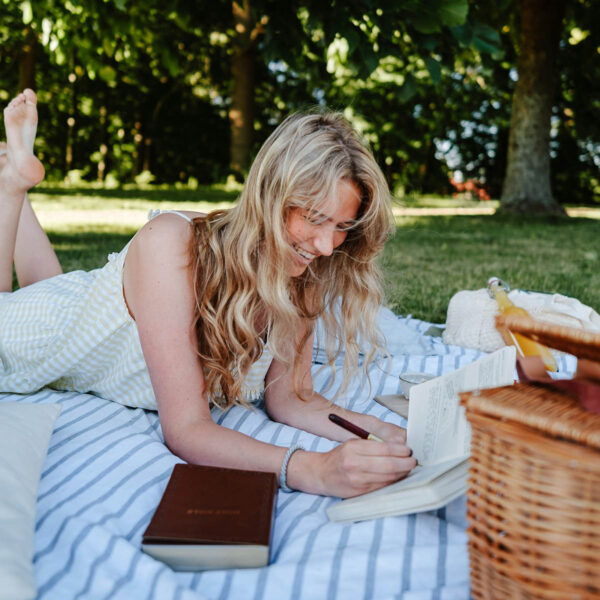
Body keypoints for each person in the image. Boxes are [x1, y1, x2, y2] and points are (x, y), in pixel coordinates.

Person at [0, 89, 416, 498]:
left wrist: (390, 432)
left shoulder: (304, 269)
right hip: (38, 331)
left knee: (57, 299)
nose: (326, 246)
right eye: (315, 218)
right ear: (269, 195)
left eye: (342, 226)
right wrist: (313, 468)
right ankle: (11, 186)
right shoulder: (173, 244)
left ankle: (16, 187)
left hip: (82, 328)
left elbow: (290, 397)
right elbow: (186, 429)